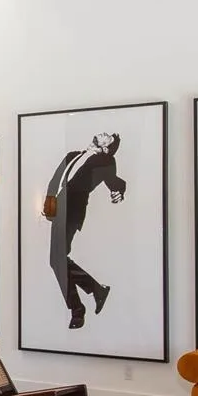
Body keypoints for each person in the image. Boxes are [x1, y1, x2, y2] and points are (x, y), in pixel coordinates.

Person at [44, 133, 123, 329]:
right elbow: (55, 180)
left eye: (108, 138)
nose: (104, 134)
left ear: (106, 148)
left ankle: (78, 309)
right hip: (57, 210)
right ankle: (95, 290)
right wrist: (49, 203)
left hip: (72, 212)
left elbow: (114, 180)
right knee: (56, 260)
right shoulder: (72, 155)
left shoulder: (105, 161)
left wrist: (119, 191)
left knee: (57, 259)